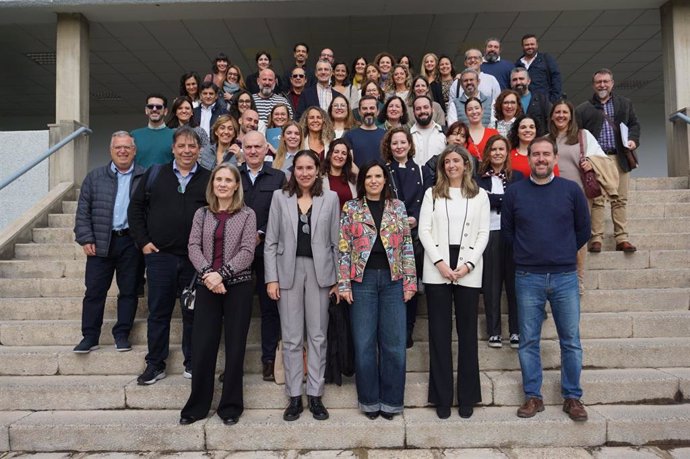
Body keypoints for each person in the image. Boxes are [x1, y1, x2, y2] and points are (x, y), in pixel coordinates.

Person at [502, 136, 591, 422]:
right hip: (528, 276)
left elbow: (583, 230)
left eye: (545, 154)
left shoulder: (571, 190)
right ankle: (533, 396)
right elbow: (507, 232)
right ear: (528, 159)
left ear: (554, 158)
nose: (540, 159)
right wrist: (528, 253)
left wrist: (562, 253)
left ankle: (572, 397)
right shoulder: (515, 192)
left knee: (571, 340)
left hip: (564, 276)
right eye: (535, 154)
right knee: (528, 340)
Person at [128, 126, 211, 385]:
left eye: (192, 146)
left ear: (199, 150)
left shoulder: (210, 178)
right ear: (173, 149)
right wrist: (143, 243)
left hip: (195, 260)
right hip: (160, 257)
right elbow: (136, 209)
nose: (187, 150)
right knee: (158, 312)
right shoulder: (156, 175)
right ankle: (155, 363)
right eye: (182, 146)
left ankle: (193, 362)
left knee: (193, 313)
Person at [264, 150, 340, 422]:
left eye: (310, 167)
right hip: (288, 272)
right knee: (292, 336)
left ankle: (316, 395)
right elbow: (271, 241)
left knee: (318, 335)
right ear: (292, 170)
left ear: (318, 170)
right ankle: (295, 396)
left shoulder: (330, 198)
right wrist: (271, 278)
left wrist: (337, 280)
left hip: (321, 273)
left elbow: (336, 242)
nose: (305, 173)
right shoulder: (279, 197)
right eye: (300, 168)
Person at [338, 159, 416, 420]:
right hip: (363, 282)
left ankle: (392, 401)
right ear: (363, 181)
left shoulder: (398, 207)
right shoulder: (351, 208)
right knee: (364, 344)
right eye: (369, 176)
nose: (373, 180)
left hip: (394, 282)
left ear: (385, 180)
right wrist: (344, 283)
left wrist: (410, 282)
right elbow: (344, 247)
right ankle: (369, 400)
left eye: (378, 176)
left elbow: (406, 244)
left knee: (394, 344)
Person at [179, 163, 256, 426]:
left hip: (239, 286)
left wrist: (221, 274)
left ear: (236, 185)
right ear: (213, 184)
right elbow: (192, 246)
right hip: (206, 287)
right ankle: (197, 406)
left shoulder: (248, 215)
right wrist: (208, 276)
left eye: (228, 180)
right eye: (218, 179)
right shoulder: (202, 213)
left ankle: (231, 406)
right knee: (202, 346)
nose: (222, 184)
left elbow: (247, 251)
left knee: (235, 348)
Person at [418, 144, 490, 419]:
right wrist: (439, 263)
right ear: (442, 166)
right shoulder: (432, 194)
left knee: (468, 335)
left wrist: (467, 264)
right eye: (447, 161)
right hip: (437, 269)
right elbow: (424, 230)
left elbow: (484, 233)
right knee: (439, 334)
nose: (451, 166)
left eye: (456, 161)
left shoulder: (479, 195)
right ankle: (442, 397)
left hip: (468, 270)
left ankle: (468, 396)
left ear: (466, 165)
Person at [73, 131, 145, 353]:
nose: (122, 151)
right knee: (94, 291)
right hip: (101, 243)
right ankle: (90, 336)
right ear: (111, 150)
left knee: (129, 291)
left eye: (127, 147)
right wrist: (85, 238)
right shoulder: (94, 177)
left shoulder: (145, 176)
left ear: (134, 151)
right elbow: (83, 211)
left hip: (131, 243)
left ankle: (122, 334)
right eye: (118, 148)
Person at [549, 99, 612, 294]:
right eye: (557, 112)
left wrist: (591, 164)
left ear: (571, 115)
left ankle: (578, 278)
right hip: (551, 195)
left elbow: (603, 158)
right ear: (551, 116)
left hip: (578, 194)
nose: (561, 115)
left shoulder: (583, 136)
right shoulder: (546, 138)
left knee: (577, 238)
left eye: (565, 112)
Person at [239, 131, 287, 381]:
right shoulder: (233, 176)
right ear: (242, 148)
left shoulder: (278, 177)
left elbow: (282, 214)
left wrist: (261, 233)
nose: (254, 151)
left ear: (266, 149)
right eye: (249, 147)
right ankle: (235, 363)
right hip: (236, 256)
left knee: (270, 309)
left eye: (258, 146)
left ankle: (269, 359)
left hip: (268, 252)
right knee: (238, 309)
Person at [575, 68, 640, 253]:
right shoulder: (583, 108)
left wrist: (633, 140)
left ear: (612, 83)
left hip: (620, 157)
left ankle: (622, 238)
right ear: (593, 85)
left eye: (606, 81)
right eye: (598, 82)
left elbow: (634, 124)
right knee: (597, 199)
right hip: (597, 159)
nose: (602, 85)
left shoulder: (624, 104)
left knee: (620, 199)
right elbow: (578, 135)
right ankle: (596, 238)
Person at [476, 135, 524, 349]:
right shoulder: (478, 179)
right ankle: (493, 331)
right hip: (489, 233)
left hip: (514, 234)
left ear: (507, 152)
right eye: (493, 149)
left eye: (501, 149)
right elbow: (481, 201)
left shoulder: (519, 177)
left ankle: (516, 330)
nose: (497, 153)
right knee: (491, 284)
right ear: (487, 152)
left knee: (514, 285)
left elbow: (519, 203)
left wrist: (495, 200)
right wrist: (505, 200)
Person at [381, 128, 425, 348]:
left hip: (415, 237)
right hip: (391, 237)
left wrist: (416, 218)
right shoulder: (384, 171)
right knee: (393, 284)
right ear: (389, 146)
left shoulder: (421, 170)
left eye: (402, 142)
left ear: (409, 144)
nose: (399, 147)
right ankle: (393, 328)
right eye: (394, 143)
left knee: (411, 285)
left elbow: (428, 201)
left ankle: (408, 328)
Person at [514, 34, 562, 103]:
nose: (530, 47)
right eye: (527, 45)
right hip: (524, 103)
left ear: (537, 45)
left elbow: (556, 79)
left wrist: (553, 101)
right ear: (522, 46)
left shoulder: (546, 59)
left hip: (544, 104)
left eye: (532, 44)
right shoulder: (517, 65)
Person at [131, 94, 174, 168]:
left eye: (159, 107)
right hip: (140, 179)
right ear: (146, 110)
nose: (154, 109)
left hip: (166, 179)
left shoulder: (175, 135)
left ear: (165, 111)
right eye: (150, 106)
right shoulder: (134, 135)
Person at [423, 121, 470, 188]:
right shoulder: (433, 163)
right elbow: (429, 189)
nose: (458, 138)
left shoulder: (473, 162)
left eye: (463, 136)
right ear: (447, 138)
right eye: (454, 134)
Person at [344, 96, 386, 168]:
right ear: (359, 112)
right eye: (364, 108)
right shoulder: (349, 136)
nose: (368, 111)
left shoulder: (386, 135)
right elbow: (349, 162)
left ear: (378, 111)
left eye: (372, 108)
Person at [510, 67, 551, 136]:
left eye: (521, 79)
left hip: (539, 142)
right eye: (514, 80)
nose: (518, 82)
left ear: (528, 81)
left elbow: (551, 121)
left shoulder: (542, 100)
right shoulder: (507, 103)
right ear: (510, 83)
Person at [410, 95, 446, 167]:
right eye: (418, 109)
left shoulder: (445, 133)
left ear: (432, 109)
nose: (422, 111)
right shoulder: (407, 136)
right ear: (413, 112)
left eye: (426, 107)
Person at [321, 138, 358, 208]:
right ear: (330, 154)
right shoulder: (320, 179)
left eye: (344, 153)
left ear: (347, 158)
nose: (339, 156)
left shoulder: (353, 180)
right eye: (336, 152)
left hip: (349, 218)